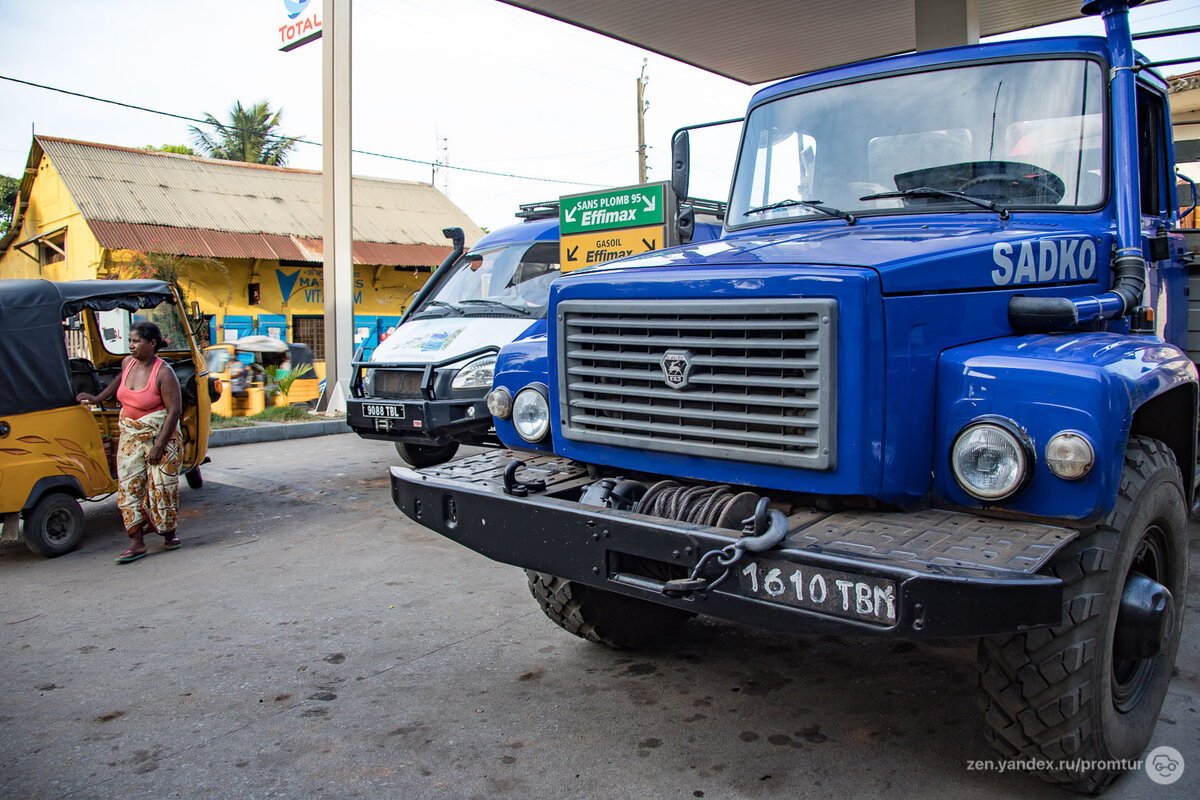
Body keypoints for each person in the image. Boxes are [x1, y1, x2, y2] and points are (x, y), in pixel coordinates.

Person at [76, 321, 183, 563]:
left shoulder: (164, 372)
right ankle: (137, 542)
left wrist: (158, 447)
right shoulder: (128, 363)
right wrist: (96, 397)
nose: (131, 345)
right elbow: (118, 382)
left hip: (161, 437)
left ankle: (168, 533)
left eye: (136, 341)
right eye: (130, 341)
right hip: (130, 436)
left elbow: (174, 412)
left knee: (162, 489)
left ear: (152, 343)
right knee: (128, 488)